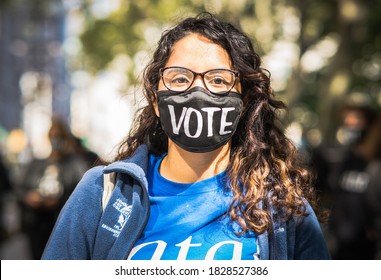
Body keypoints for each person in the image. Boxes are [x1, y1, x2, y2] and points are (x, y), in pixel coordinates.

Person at [42, 13, 330, 260]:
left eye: (218, 80)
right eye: (180, 78)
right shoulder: (102, 194)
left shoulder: (282, 208)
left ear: (243, 102)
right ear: (156, 99)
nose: (198, 91)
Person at [312, 103, 379, 259]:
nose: (350, 128)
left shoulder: (375, 166)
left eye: (356, 123)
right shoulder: (343, 161)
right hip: (338, 248)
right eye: (347, 123)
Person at [16, 116, 89, 259]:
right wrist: (29, 198)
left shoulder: (75, 164)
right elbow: (20, 187)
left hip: (60, 223)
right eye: (53, 136)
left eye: (59, 136)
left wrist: (60, 201)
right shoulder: (36, 163)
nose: (56, 141)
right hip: (37, 223)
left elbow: (82, 192)